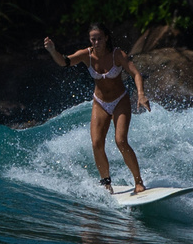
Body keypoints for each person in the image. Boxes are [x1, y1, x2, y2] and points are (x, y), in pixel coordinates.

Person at [44, 22, 150, 194]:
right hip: (100, 103)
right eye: (93, 39)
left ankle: (138, 181)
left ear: (106, 37)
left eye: (99, 38)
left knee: (120, 141)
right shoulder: (86, 55)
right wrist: (52, 51)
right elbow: (64, 62)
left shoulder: (117, 54)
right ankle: (106, 183)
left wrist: (141, 94)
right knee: (96, 143)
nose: (96, 42)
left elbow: (136, 73)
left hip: (120, 101)